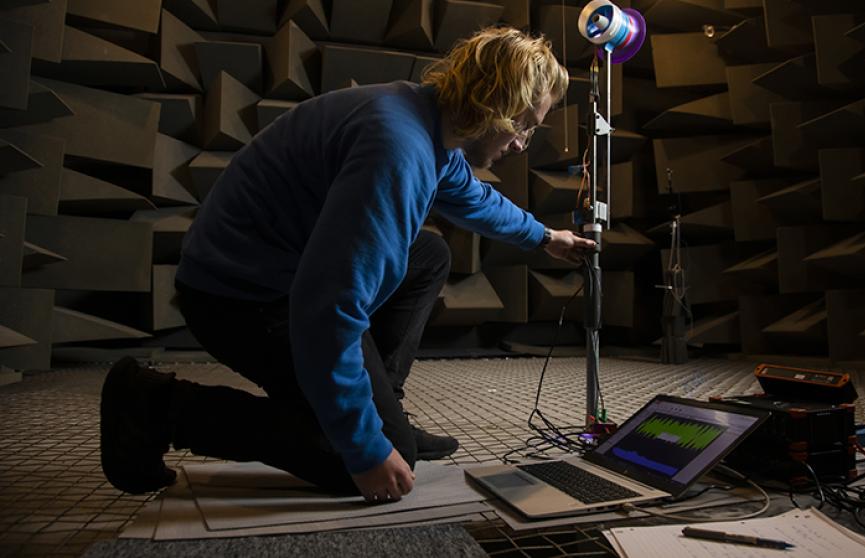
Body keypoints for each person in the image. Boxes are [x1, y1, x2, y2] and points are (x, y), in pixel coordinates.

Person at [100, 26, 597, 503]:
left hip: (280, 271)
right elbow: (328, 310)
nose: (521, 144)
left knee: (429, 256)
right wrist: (366, 447)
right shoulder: (397, 152)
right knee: (374, 459)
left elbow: (472, 198)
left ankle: (384, 404)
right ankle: (154, 405)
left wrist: (545, 237)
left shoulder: (428, 118)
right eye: (524, 127)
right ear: (493, 108)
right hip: (238, 299)